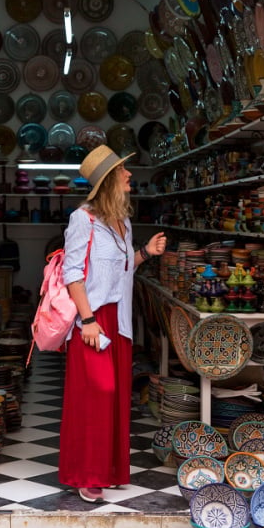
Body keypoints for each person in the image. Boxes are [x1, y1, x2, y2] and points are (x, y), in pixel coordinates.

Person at [60, 146, 166, 503]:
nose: (129, 175)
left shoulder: (123, 223)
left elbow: (122, 268)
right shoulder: (83, 219)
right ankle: (86, 474)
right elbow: (72, 274)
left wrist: (145, 253)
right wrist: (87, 320)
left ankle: (110, 472)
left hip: (118, 321)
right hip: (93, 319)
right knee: (97, 394)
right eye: (123, 171)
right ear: (108, 181)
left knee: (116, 397)